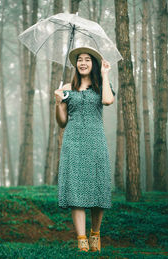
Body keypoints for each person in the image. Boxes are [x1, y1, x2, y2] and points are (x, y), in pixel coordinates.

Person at [54, 46, 115, 252]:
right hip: (73, 142)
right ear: (75, 64)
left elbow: (108, 100)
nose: (82, 63)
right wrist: (58, 103)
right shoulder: (67, 87)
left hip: (96, 141)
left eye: (87, 59)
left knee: (97, 188)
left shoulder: (100, 85)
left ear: (93, 64)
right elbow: (62, 122)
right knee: (76, 191)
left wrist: (105, 74)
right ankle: (81, 239)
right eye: (79, 59)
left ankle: (95, 234)